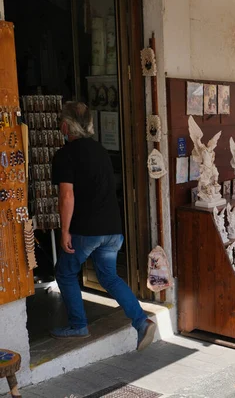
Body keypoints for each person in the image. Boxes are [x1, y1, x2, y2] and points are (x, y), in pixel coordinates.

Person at [51, 102, 156, 351]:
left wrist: (65, 230)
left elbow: (67, 196)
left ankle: (78, 325)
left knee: (65, 272)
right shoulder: (100, 150)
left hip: (86, 230)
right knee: (108, 275)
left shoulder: (65, 154)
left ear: (65, 126)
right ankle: (141, 321)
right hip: (112, 228)